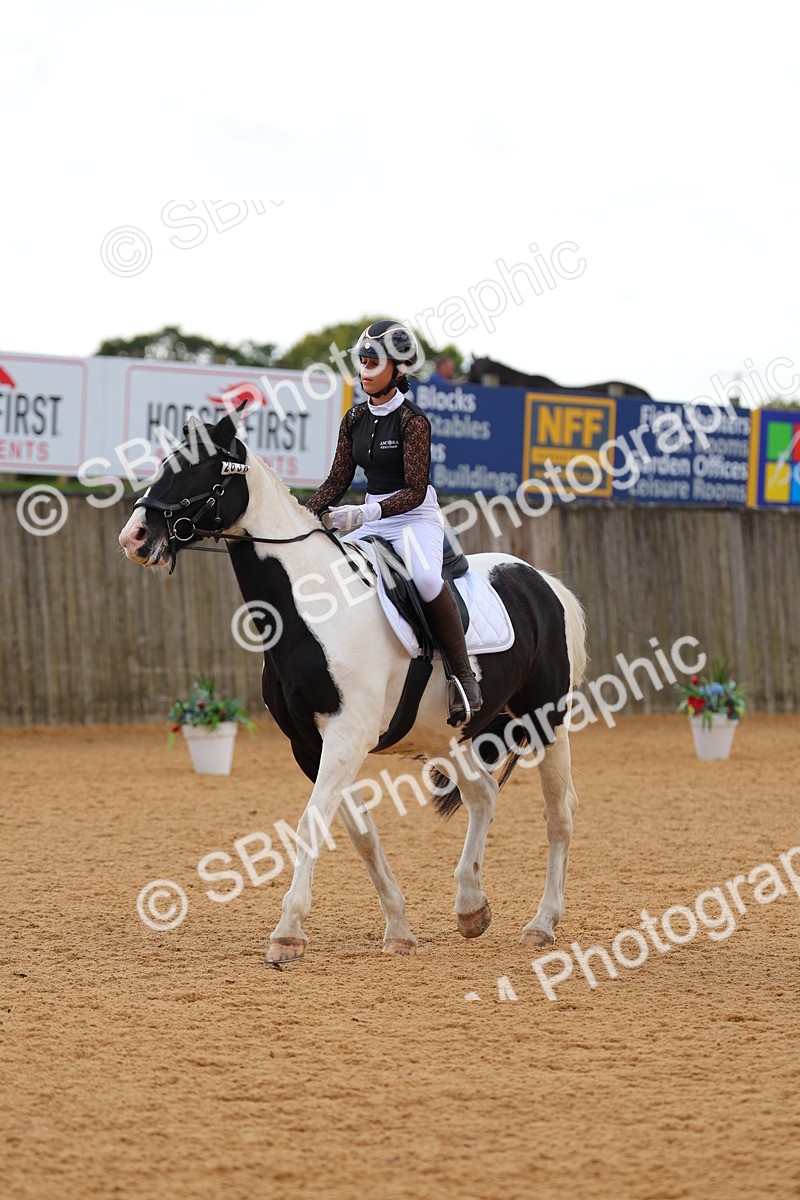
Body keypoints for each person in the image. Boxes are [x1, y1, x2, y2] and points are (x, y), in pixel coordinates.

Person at [305, 319, 482, 721]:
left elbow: (416, 490)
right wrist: (307, 512)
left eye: (372, 362)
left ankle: (462, 676)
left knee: (424, 578)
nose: (363, 370)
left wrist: (364, 512)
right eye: (362, 360)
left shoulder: (413, 421)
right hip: (372, 517)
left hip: (415, 519)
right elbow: (338, 477)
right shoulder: (354, 419)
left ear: (398, 370)